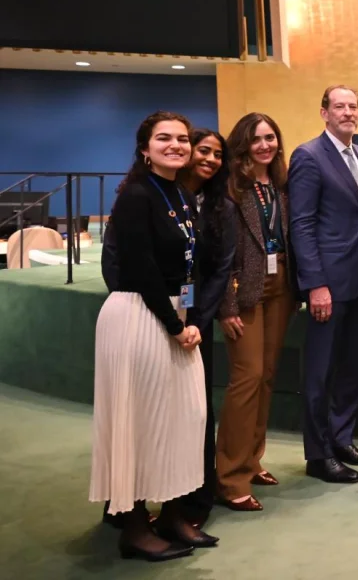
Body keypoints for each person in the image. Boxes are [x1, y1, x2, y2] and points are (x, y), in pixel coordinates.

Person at [90, 112, 218, 561]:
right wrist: (175, 325)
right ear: (145, 148)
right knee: (140, 422)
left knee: (186, 419)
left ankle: (173, 514)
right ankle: (134, 525)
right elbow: (141, 268)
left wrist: (195, 316)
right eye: (164, 139)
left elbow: (191, 264)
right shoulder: (136, 196)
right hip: (139, 318)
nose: (176, 146)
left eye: (183, 139)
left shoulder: (180, 194)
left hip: (175, 318)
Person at [288, 86, 358, 483]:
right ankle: (318, 454)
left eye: (353, 106)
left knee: (351, 367)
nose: (347, 112)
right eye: (339, 106)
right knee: (320, 373)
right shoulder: (308, 156)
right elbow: (301, 225)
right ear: (324, 112)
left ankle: (342, 440)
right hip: (328, 284)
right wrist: (315, 284)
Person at [216, 113, 297, 511]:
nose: (265, 145)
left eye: (271, 137)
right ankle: (229, 477)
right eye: (257, 139)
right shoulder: (230, 189)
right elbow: (220, 253)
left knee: (266, 376)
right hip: (243, 289)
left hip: (281, 283)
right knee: (245, 378)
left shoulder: (281, 185)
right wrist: (225, 306)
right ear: (243, 144)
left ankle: (252, 460)